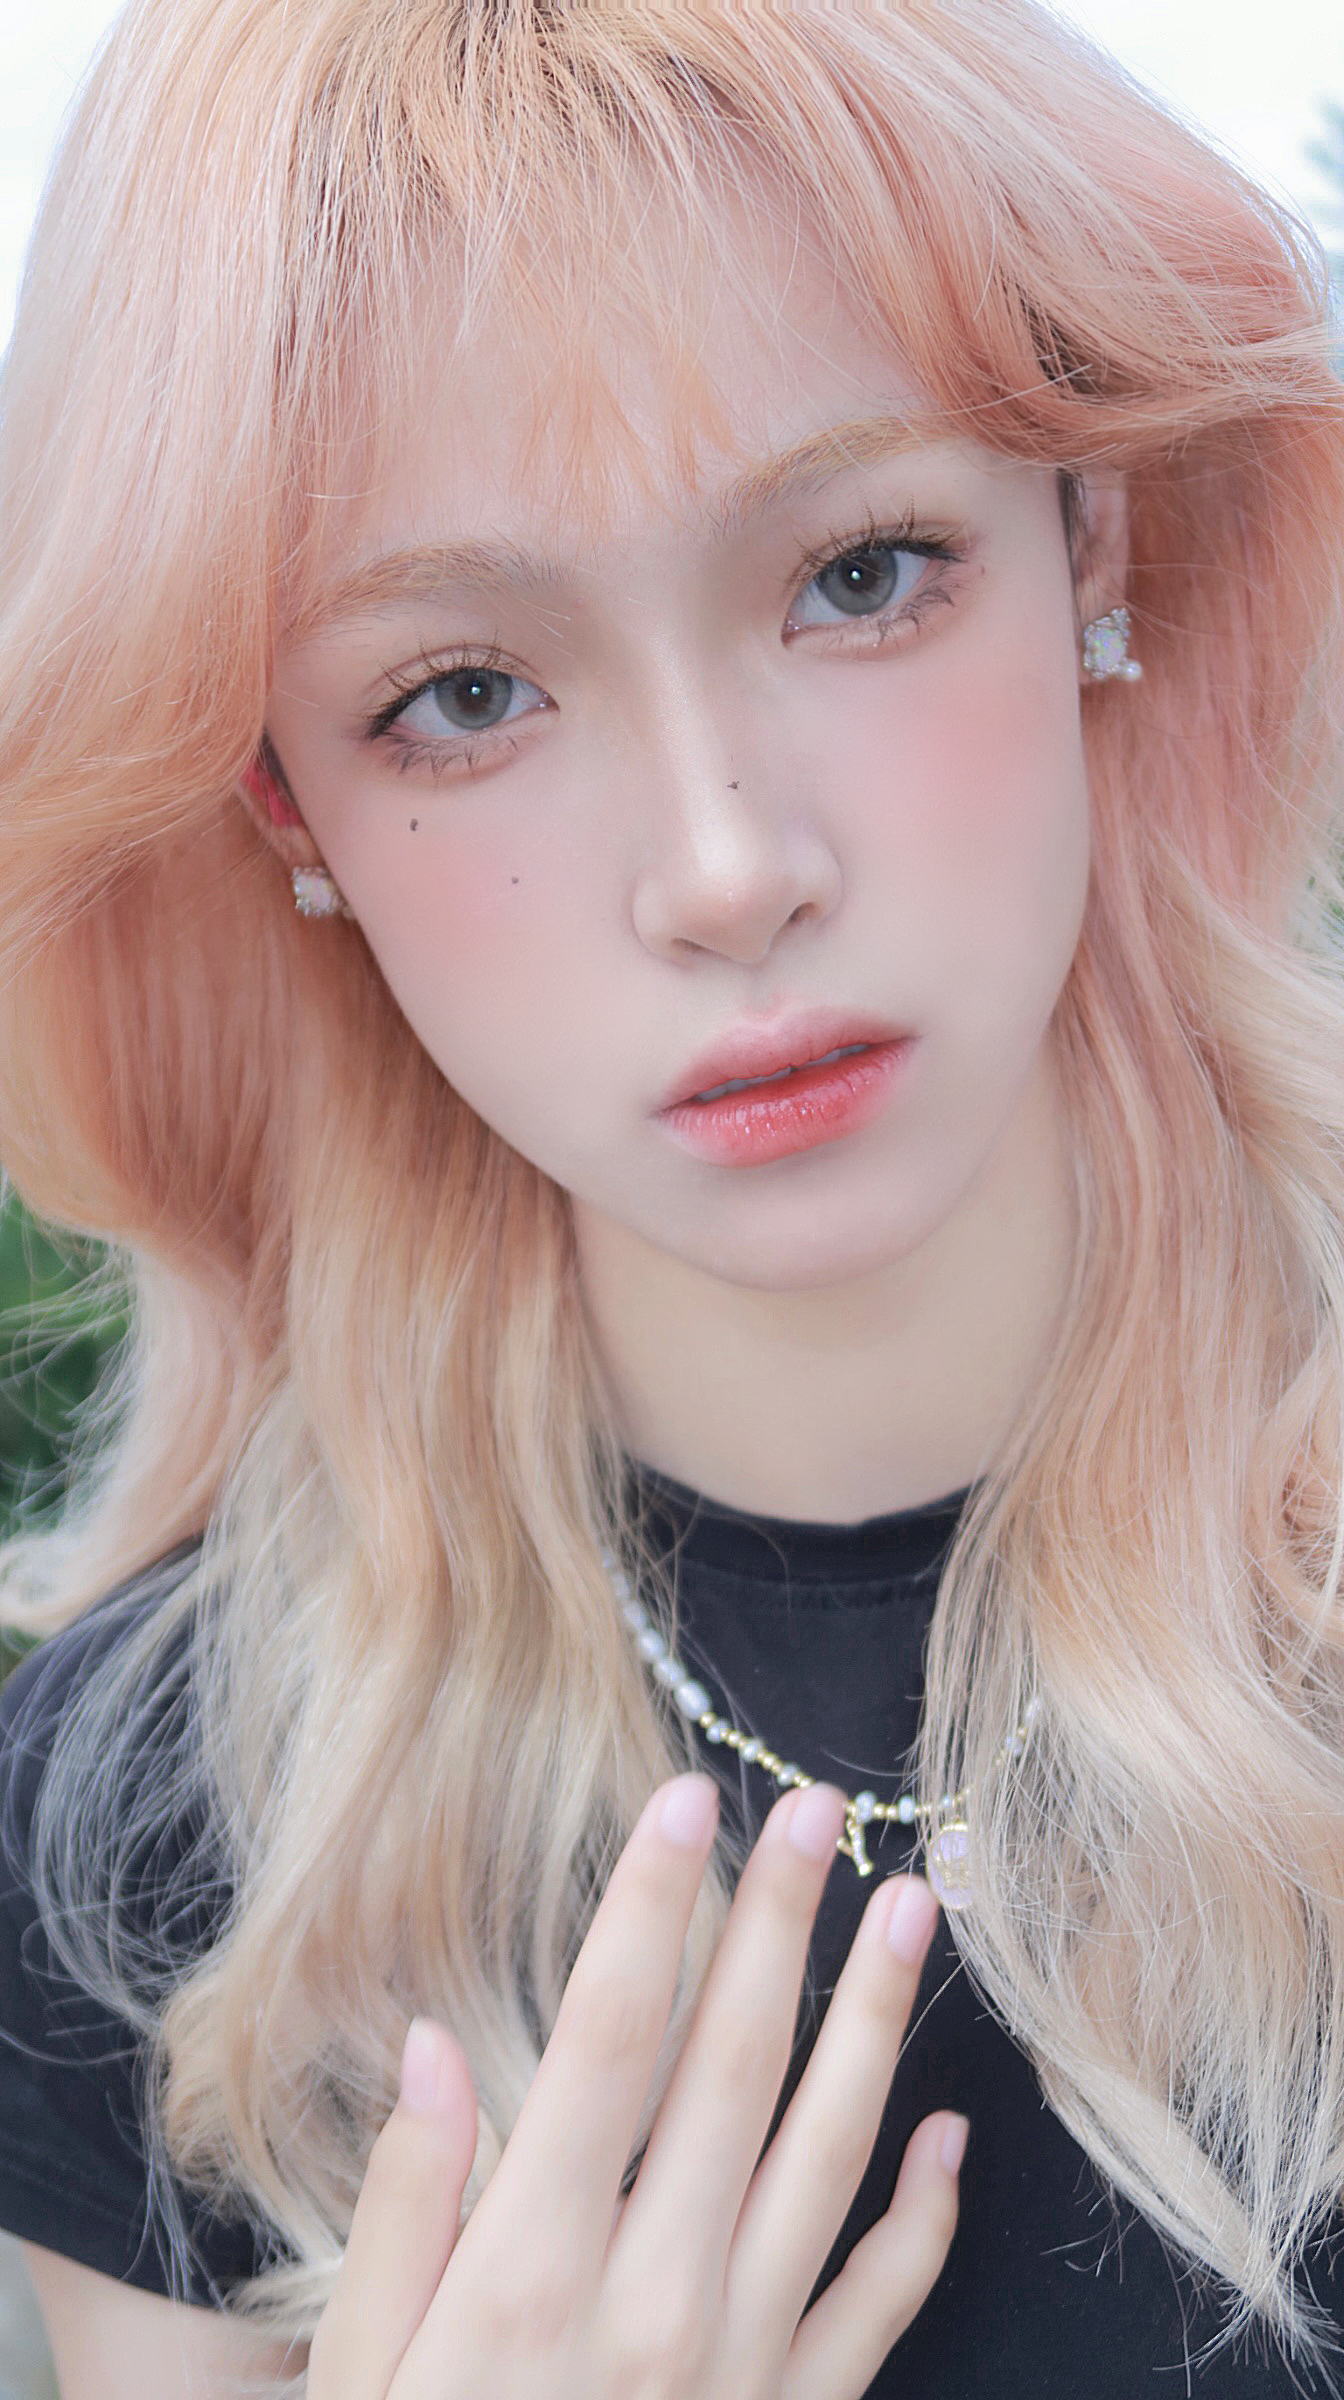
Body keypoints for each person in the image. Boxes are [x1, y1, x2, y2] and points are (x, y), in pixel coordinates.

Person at [1, 0, 1343, 2392]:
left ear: (1091, 539)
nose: (727, 867)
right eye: (460, 695)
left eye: (863, 571)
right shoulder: (157, 1837)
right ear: (288, 805)